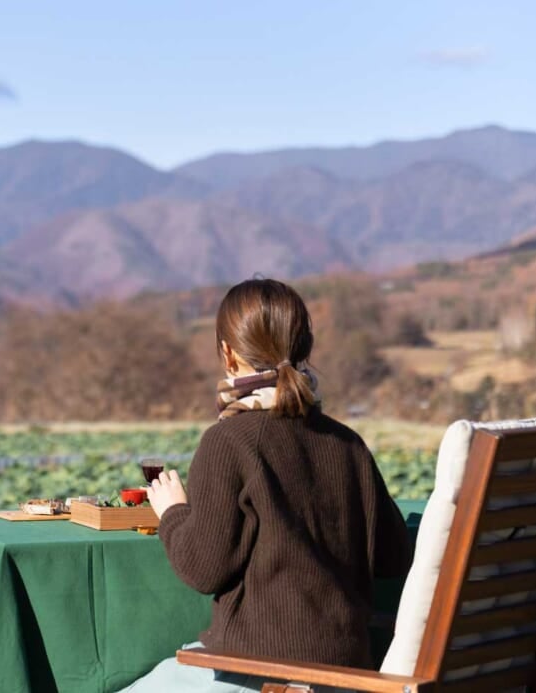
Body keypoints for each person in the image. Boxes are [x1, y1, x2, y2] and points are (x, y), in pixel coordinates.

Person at [121, 278, 412, 692]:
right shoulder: (348, 443)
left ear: (227, 353)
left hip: (259, 673)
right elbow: (393, 557)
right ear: (305, 347)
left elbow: (204, 570)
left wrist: (172, 512)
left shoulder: (229, 442)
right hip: (349, 673)